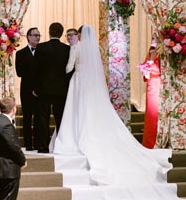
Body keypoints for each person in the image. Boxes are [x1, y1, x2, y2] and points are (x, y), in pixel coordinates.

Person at [52, 25, 173, 185]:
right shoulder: (96, 50)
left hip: (78, 81)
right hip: (92, 84)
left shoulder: (76, 48)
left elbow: (68, 67)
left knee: (76, 110)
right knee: (91, 109)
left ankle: (75, 135)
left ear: (80, 35)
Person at [35, 22, 71, 153]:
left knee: (43, 117)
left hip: (44, 88)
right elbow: (69, 70)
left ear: (49, 32)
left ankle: (43, 146)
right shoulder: (66, 49)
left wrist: (36, 87)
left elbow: (36, 69)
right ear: (61, 34)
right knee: (60, 117)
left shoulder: (41, 47)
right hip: (61, 90)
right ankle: (61, 145)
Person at [0, 96, 27, 200]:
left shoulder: (0, 121)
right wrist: (22, 160)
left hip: (5, 168)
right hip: (9, 169)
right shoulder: (5, 125)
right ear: (14, 109)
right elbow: (13, 146)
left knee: (5, 199)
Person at [15, 27, 41, 151]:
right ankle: (28, 144)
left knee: (39, 117)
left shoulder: (43, 51)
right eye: (35, 35)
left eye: (39, 35)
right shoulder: (20, 53)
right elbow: (19, 72)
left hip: (40, 90)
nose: (38, 37)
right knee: (27, 117)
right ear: (28, 37)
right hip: (26, 89)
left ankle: (38, 143)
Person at [141, 39, 161, 148]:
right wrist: (151, 59)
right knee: (151, 115)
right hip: (152, 86)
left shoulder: (164, 56)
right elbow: (145, 74)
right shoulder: (150, 54)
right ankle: (150, 142)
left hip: (161, 84)